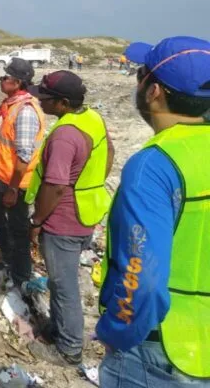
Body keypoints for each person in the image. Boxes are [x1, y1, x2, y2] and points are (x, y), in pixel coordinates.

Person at [96, 36, 210, 385]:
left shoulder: (154, 166)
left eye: (140, 75)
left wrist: (115, 332)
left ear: (154, 90)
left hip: (160, 353)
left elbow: (141, 275)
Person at [23, 71, 114, 366]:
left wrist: (37, 221)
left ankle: (70, 349)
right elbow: (109, 152)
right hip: (85, 211)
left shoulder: (64, 135)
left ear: (62, 102)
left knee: (64, 286)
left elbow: (56, 185)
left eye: (45, 99)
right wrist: (90, 179)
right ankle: (61, 330)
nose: (40, 102)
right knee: (62, 281)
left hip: (63, 219)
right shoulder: (91, 119)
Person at [0, 58, 45, 290]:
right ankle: (8, 255)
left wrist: (12, 189)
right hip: (5, 177)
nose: (1, 80)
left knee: (18, 230)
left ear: (17, 82)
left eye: (5, 77)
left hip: (17, 184)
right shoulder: (13, 105)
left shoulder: (26, 112)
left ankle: (21, 276)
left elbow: (24, 155)